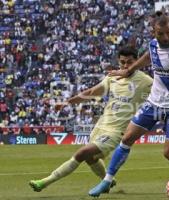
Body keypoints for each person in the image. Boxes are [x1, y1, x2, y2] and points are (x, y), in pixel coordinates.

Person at [88, 11, 169, 197]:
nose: (165, 37)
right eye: (160, 33)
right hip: (153, 104)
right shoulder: (153, 45)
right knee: (127, 138)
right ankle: (106, 181)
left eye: (168, 33)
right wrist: (128, 71)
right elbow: (148, 57)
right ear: (153, 32)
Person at [29, 46, 153, 192]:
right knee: (91, 158)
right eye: (122, 62)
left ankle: (44, 182)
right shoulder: (112, 77)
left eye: (129, 62)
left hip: (116, 131)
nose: (125, 66)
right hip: (101, 126)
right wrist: (67, 102)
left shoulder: (145, 81)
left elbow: (164, 92)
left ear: (137, 61)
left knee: (82, 153)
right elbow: (92, 92)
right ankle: (108, 182)